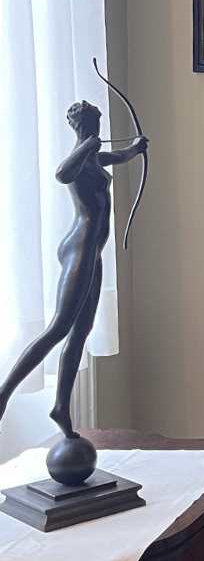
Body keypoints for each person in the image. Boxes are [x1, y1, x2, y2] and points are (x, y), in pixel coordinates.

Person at [0, 101, 147, 438]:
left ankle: (61, 408)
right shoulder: (81, 158)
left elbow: (120, 157)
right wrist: (87, 145)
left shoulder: (94, 157)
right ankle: (3, 395)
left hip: (92, 252)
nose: (97, 129)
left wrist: (136, 149)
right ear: (83, 126)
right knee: (59, 328)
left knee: (81, 330)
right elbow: (61, 173)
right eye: (93, 124)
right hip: (78, 249)